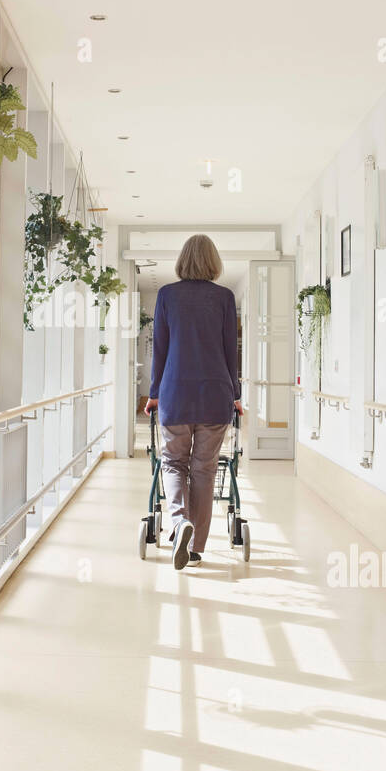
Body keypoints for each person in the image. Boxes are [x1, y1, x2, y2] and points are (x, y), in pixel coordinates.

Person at [144, 234, 244, 570]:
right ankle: (197, 547)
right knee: (204, 470)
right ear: (214, 262)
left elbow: (160, 350)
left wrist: (154, 394)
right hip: (215, 396)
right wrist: (236, 396)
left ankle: (178, 523)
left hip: (175, 394)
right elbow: (232, 352)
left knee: (173, 463)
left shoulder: (167, 296)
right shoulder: (225, 299)